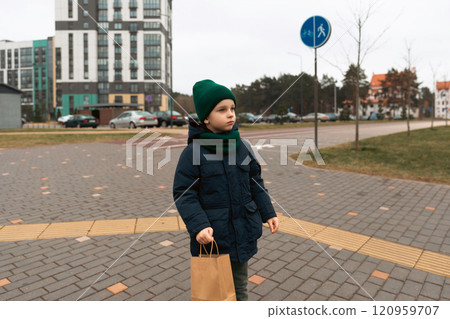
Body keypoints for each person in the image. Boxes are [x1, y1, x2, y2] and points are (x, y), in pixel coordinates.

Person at [173, 79, 279, 301]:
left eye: (232, 108)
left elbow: (255, 182)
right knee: (215, 293)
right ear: (206, 117)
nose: (230, 114)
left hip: (242, 233)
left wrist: (268, 212)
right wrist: (199, 226)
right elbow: (185, 193)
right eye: (222, 110)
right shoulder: (193, 152)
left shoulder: (242, 147)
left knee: (240, 288)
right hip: (213, 237)